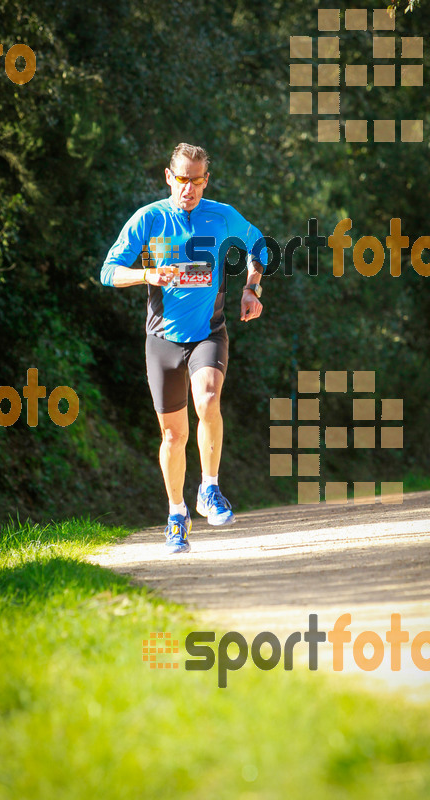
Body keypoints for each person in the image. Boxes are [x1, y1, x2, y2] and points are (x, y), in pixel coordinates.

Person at [100, 143, 266, 554]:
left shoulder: (222, 215)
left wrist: (251, 287)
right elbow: (108, 272)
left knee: (208, 399)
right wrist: (147, 275)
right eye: (181, 178)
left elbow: (260, 245)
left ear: (205, 180)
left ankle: (209, 488)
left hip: (208, 333)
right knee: (173, 436)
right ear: (168, 176)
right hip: (162, 341)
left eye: (196, 179)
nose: (188, 187)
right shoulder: (149, 218)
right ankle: (177, 514)